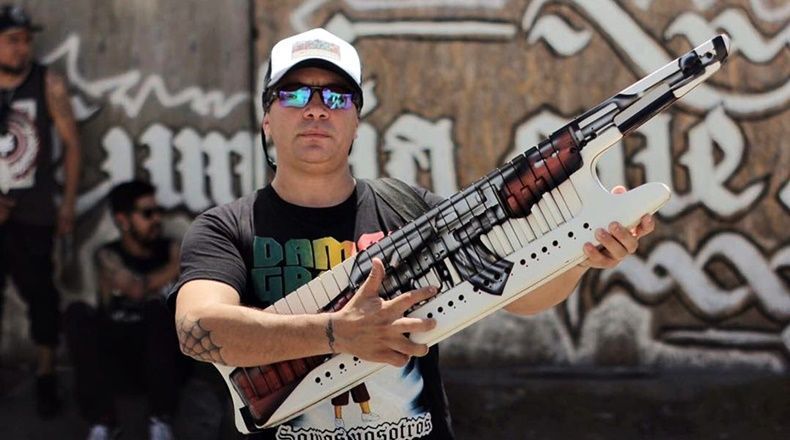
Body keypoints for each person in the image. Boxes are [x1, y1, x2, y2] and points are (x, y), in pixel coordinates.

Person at [171, 28, 655, 440]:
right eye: (294, 94)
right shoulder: (227, 228)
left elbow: (520, 295)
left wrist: (582, 255)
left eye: (337, 97)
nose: (316, 110)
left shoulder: (409, 209)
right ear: (266, 118)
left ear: (356, 122)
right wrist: (337, 333)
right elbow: (197, 329)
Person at [0, 4, 81, 418]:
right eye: (12, 40)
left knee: (42, 296)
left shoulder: (47, 84)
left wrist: (66, 204)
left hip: (34, 213)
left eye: (26, 40)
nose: (23, 48)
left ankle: (46, 375)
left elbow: (72, 145)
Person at [64, 180, 182, 440]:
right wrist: (172, 269)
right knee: (77, 313)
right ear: (123, 220)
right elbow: (135, 289)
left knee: (158, 309)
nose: (157, 219)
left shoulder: (170, 247)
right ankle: (102, 421)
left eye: (158, 211)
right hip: (119, 359)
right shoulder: (108, 255)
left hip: (162, 361)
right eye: (147, 213)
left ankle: (160, 419)